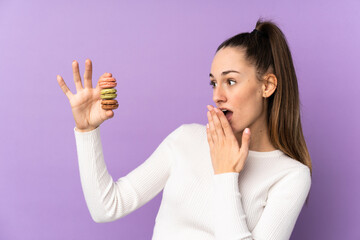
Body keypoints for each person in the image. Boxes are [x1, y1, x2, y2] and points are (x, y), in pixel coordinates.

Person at [57, 19, 312, 240]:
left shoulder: (290, 176)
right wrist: (87, 130)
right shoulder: (186, 139)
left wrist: (225, 175)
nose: (218, 95)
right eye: (214, 83)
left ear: (267, 86)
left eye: (230, 81)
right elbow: (106, 207)